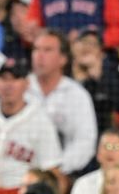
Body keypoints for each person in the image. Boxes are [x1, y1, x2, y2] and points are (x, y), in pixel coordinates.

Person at [0, 58, 64, 194]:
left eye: (16, 79)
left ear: (27, 84)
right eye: (3, 79)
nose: (8, 85)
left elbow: (53, 173)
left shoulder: (40, 121)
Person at [26, 31, 97, 174]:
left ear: (63, 59)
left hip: (62, 173)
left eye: (47, 50)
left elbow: (85, 141)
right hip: (21, 169)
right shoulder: (20, 88)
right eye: (36, 49)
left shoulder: (77, 95)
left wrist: (57, 168)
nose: (39, 56)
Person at [70, 31, 119, 133]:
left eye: (93, 44)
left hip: (98, 134)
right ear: (73, 48)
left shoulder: (114, 77)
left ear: (101, 54)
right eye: (83, 42)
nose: (86, 47)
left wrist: (100, 77)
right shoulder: (59, 74)